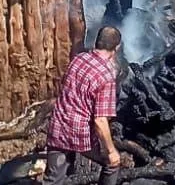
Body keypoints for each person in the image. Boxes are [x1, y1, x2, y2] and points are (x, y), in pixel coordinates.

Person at [45, 26, 122, 185]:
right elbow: (100, 121)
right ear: (117, 48)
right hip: (80, 134)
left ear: (97, 42)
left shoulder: (79, 58)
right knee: (112, 163)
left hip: (58, 126)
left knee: (52, 180)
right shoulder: (106, 76)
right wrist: (111, 150)